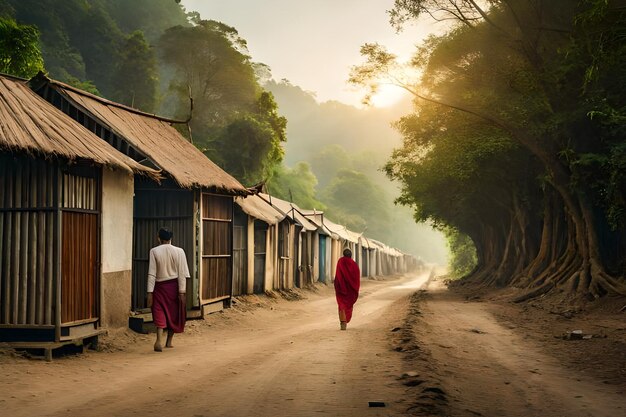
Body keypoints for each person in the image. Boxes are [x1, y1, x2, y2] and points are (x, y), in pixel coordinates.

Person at [146, 227, 190, 352]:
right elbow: (182, 273)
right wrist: (182, 291)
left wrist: (150, 292)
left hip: (159, 287)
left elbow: (151, 273)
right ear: (171, 238)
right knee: (173, 314)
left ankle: (158, 340)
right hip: (174, 287)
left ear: (158, 238)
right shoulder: (180, 251)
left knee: (159, 311)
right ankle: (169, 342)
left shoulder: (154, 251)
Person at [334, 248, 361, 330]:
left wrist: (337, 284)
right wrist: (355, 288)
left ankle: (343, 322)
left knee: (341, 304)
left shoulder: (340, 261)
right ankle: (346, 320)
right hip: (351, 290)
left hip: (341, 288)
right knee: (348, 305)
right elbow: (357, 277)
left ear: (343, 254)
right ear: (351, 255)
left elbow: (338, 275)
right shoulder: (354, 264)